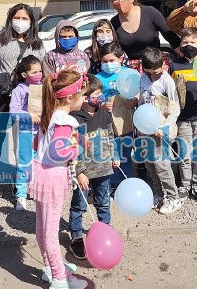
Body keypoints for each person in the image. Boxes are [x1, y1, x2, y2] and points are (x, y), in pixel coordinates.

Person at [30, 70, 88, 289]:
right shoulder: (66, 120)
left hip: (40, 172)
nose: (84, 99)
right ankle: (60, 278)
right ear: (70, 97)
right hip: (53, 176)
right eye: (82, 95)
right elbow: (58, 152)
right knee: (51, 232)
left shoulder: (50, 114)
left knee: (42, 228)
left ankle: (48, 268)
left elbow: (38, 145)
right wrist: (77, 147)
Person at [68, 74, 120, 260]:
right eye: (95, 95)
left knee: (103, 203)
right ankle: (76, 237)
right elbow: (73, 149)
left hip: (104, 169)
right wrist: (79, 171)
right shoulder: (74, 119)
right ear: (84, 97)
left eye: (101, 94)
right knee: (79, 205)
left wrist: (114, 155)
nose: (99, 98)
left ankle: (104, 230)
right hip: (84, 173)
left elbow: (111, 135)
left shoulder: (104, 112)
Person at [169, 27, 197, 204]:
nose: (188, 45)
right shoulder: (174, 65)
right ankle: (185, 186)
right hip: (182, 118)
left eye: (192, 42)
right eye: (185, 42)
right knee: (185, 154)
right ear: (180, 45)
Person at [138, 47, 182, 214]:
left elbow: (174, 108)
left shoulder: (167, 81)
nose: (154, 75)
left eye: (157, 72)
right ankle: (158, 193)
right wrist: (140, 125)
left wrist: (165, 128)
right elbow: (142, 103)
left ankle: (173, 197)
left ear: (163, 65)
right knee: (150, 164)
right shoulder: (142, 79)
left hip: (161, 130)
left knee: (162, 165)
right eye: (150, 72)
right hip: (146, 130)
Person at [0, 3, 45, 109]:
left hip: (29, 95)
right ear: (10, 19)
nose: (20, 21)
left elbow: (41, 70)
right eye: (16, 18)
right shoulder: (0, 35)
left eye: (25, 18)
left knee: (26, 124)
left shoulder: (38, 44)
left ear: (31, 21)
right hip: (2, 92)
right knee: (0, 124)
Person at [109, 0, 181, 70]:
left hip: (155, 66)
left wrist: (187, 60)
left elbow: (172, 38)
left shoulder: (150, 12)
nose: (120, 2)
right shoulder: (113, 22)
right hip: (130, 71)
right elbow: (113, 51)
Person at [95, 43, 134, 187]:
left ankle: (126, 182)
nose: (108, 64)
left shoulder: (128, 73)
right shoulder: (98, 77)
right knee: (111, 155)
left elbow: (137, 91)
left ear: (121, 58)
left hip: (125, 120)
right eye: (104, 61)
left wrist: (134, 100)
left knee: (125, 154)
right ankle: (112, 185)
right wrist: (102, 104)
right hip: (107, 121)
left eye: (111, 61)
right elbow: (94, 98)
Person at [9, 55, 43, 211]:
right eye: (34, 72)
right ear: (24, 75)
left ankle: (34, 190)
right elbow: (13, 113)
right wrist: (30, 117)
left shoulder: (44, 87)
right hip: (25, 132)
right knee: (24, 163)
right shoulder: (19, 90)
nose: (38, 74)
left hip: (42, 132)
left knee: (39, 163)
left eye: (40, 71)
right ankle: (20, 195)